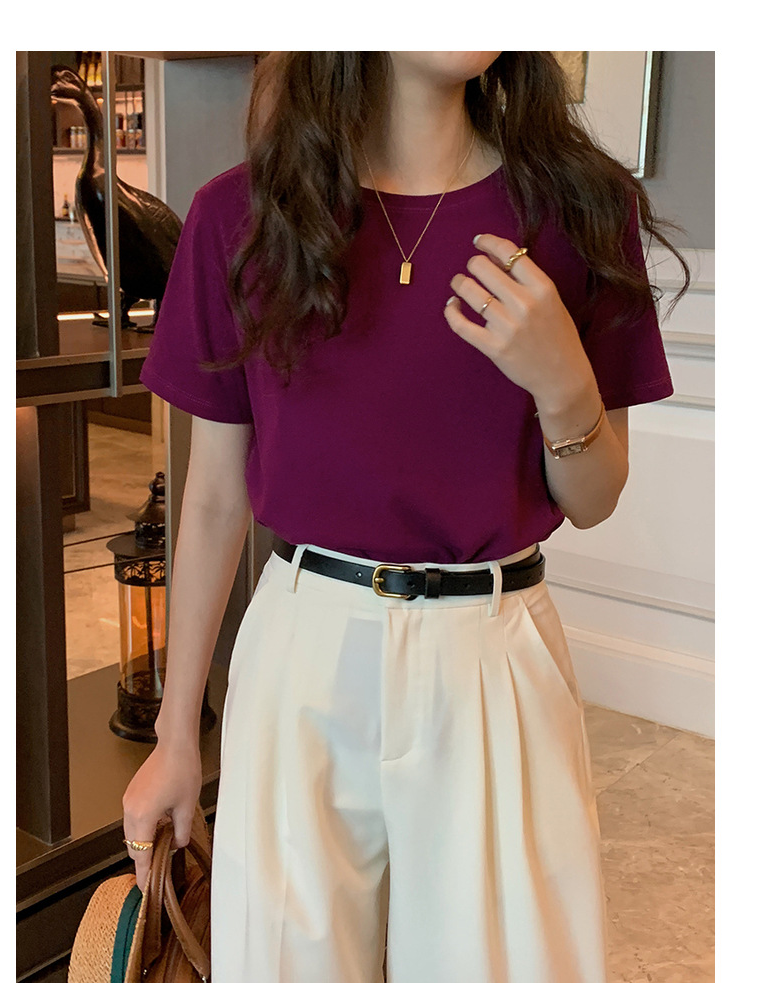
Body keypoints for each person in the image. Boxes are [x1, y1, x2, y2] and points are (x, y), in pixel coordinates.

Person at [124, 51, 689, 983]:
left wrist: (562, 381)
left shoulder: (581, 208)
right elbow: (215, 497)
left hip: (492, 653)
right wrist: (176, 734)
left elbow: (594, 499)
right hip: (303, 651)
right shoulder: (244, 215)